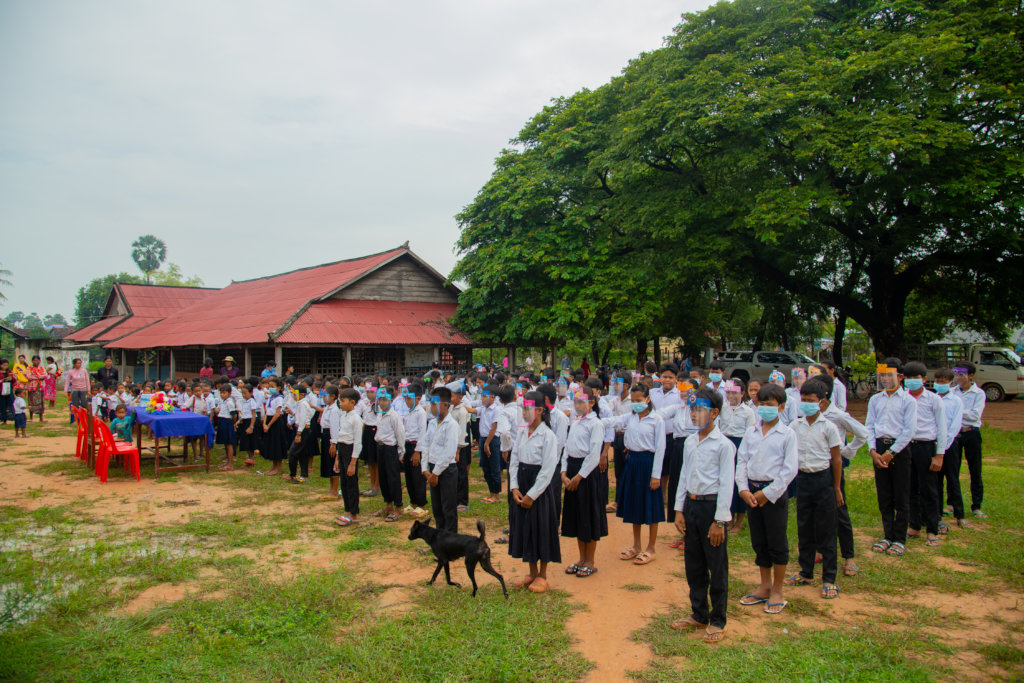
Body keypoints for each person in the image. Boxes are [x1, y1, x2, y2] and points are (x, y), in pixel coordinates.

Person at [671, 387, 734, 643]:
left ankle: (718, 619)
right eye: (692, 410)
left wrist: (720, 521)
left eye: (700, 410)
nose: (695, 415)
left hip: (712, 508)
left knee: (716, 565)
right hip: (692, 507)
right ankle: (699, 613)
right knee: (693, 563)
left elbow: (727, 483)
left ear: (715, 412)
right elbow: (684, 476)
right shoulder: (689, 441)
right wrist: (678, 509)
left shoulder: (724, 445)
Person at [735, 383, 799, 615]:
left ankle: (778, 590)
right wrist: (743, 489)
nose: (764, 409)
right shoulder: (751, 431)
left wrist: (767, 494)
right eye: (761, 404)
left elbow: (789, 469)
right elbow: (742, 460)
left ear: (781, 407)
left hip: (773, 495)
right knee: (759, 541)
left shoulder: (787, 434)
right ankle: (764, 585)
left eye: (769, 405)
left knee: (777, 541)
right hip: (751, 493)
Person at [786, 379, 844, 600]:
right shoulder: (795, 426)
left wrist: (836, 487)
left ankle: (829, 578)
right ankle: (806, 571)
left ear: (821, 403)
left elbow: (836, 459)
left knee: (827, 529)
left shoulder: (829, 427)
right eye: (804, 400)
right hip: (803, 480)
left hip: (824, 480)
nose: (807, 404)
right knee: (805, 527)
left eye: (811, 401)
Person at [601, 383, 666, 567]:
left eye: (639, 400)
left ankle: (651, 548)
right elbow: (613, 422)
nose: (636, 404)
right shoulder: (630, 417)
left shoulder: (656, 420)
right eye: (634, 401)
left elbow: (660, 449)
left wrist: (656, 475)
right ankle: (636, 545)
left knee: (651, 506)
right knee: (635, 505)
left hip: (648, 464)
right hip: (633, 463)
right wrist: (594, 421)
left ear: (647, 399)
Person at [814, 370, 868, 577]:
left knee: (839, 511)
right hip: (814, 468)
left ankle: (849, 556)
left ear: (824, 395)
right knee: (818, 512)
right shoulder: (811, 415)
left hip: (832, 468)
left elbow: (862, 433)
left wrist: (847, 451)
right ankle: (820, 549)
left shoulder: (837, 416)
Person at [509, 390, 561, 593]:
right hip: (521, 484)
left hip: (538, 489)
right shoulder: (522, 432)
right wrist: (514, 487)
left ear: (539, 410)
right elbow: (513, 461)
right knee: (525, 528)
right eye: (522, 408)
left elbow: (548, 470)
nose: (524, 412)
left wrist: (532, 495)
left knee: (541, 529)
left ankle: (543, 574)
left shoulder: (548, 436)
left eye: (527, 408)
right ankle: (531, 571)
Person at [865, 358, 918, 558]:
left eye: (890, 375)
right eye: (883, 375)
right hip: (879, 449)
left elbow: (909, 430)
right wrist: (873, 450)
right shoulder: (875, 400)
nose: (886, 379)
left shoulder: (908, 401)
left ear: (900, 377)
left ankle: (899, 539)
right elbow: (869, 426)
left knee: (901, 496)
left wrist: (891, 453)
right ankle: (887, 535)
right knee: (884, 495)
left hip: (899, 450)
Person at [561, 387, 608, 579]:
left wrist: (579, 477)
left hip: (586, 475)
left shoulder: (595, 424)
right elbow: (567, 448)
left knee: (588, 516)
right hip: (571, 469)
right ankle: (581, 559)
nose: (578, 405)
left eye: (582, 402)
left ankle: (590, 561)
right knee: (577, 517)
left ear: (591, 403)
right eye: (576, 402)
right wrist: (564, 473)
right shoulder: (575, 422)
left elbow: (594, 454)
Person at [903, 362, 947, 547]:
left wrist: (939, 455)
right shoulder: (903, 398)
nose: (912, 381)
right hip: (907, 446)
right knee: (910, 488)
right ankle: (914, 526)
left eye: (916, 378)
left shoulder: (933, 399)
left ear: (924, 379)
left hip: (926, 447)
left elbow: (942, 427)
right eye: (909, 378)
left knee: (929, 489)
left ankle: (932, 528)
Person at [421, 386, 461, 534]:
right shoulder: (432, 423)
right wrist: (425, 470)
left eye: (434, 404)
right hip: (432, 469)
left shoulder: (451, 426)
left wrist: (436, 473)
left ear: (445, 405)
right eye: (430, 404)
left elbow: (449, 452)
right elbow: (425, 445)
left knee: (448, 508)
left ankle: (450, 541)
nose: (431, 407)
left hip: (446, 470)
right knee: (437, 507)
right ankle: (440, 541)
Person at [949, 362, 987, 519]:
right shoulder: (951, 392)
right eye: (956, 374)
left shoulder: (978, 393)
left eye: (961, 375)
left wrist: (957, 411)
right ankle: (951, 503)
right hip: (955, 434)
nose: (958, 377)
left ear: (971, 376)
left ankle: (976, 506)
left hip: (971, 433)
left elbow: (975, 415)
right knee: (952, 470)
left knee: (975, 469)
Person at [719, 379, 755, 532]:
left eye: (734, 392)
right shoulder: (722, 408)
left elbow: (750, 433)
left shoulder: (748, 412)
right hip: (725, 443)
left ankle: (739, 521)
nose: (731, 395)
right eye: (728, 392)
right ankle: (729, 517)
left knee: (739, 481)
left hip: (740, 445)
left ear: (742, 393)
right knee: (726, 481)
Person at [933, 368, 966, 531]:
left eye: (943, 382)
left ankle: (959, 515)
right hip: (934, 445)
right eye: (937, 381)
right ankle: (937, 515)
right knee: (935, 481)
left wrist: (944, 446)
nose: (940, 384)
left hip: (951, 445)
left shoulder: (956, 401)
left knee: (953, 480)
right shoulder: (932, 399)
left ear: (950, 383)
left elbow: (955, 426)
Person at [331, 387, 364, 527]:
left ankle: (354, 513)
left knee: (351, 483)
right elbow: (340, 436)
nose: (340, 403)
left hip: (351, 451)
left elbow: (358, 443)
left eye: (342, 401)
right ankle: (347, 509)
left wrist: (352, 462)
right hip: (343, 449)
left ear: (352, 402)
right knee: (344, 482)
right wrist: (337, 457)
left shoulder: (356, 419)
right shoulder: (343, 416)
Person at [374, 388, 406, 522]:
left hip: (390, 448)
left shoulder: (394, 416)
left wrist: (401, 452)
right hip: (380, 447)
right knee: (383, 477)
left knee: (393, 478)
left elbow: (400, 434)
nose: (382, 403)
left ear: (391, 400)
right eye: (380, 400)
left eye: (385, 400)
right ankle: (388, 504)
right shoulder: (379, 414)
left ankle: (398, 507)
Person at [402, 383, 429, 512]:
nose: (407, 401)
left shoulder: (421, 413)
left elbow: (422, 433)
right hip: (407, 445)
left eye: (409, 398)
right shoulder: (408, 413)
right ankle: (413, 502)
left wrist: (417, 452)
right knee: (409, 476)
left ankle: (421, 504)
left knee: (418, 477)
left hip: (416, 447)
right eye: (406, 398)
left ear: (418, 399)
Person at [258, 378, 288, 476]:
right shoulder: (270, 398)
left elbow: (277, 414)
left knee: (277, 444)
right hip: (268, 421)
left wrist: (269, 424)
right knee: (271, 444)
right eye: (269, 386)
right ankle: (273, 466)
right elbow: (267, 411)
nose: (270, 388)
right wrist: (264, 424)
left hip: (276, 423)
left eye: (272, 387)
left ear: (279, 388)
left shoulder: (279, 398)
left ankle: (278, 467)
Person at [285, 385, 314, 481]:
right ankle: (304, 474)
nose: (293, 395)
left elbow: (303, 420)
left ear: (301, 394)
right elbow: (301, 417)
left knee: (293, 453)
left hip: (303, 429)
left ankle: (292, 474)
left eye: (295, 393)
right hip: (302, 428)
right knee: (302, 453)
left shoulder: (303, 404)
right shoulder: (300, 403)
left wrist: (298, 434)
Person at [214, 385, 238, 469]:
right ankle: (227, 462)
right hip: (222, 421)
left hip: (227, 422)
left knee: (229, 443)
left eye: (224, 393)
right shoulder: (223, 401)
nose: (222, 395)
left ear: (229, 393)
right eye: (221, 393)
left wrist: (232, 422)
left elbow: (234, 414)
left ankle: (230, 463)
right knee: (225, 443)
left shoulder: (229, 402)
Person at [24, 356, 48, 422]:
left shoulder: (41, 368)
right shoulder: (29, 368)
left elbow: (45, 375)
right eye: (34, 360)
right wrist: (39, 377)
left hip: (40, 388)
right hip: (32, 388)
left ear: (39, 361)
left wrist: (35, 376)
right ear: (32, 361)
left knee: (41, 402)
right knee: (31, 402)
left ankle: (41, 417)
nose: (36, 362)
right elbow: (28, 376)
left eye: (37, 360)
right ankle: (31, 417)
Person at [0, 358, 13, 425]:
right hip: (1, 390)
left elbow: (14, 380)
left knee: (10, 403)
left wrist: (11, 378)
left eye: (6, 365)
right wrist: (2, 380)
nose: (5, 367)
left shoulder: (9, 372)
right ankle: (3, 418)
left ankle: (10, 417)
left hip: (8, 389)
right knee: (2, 405)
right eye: (4, 365)